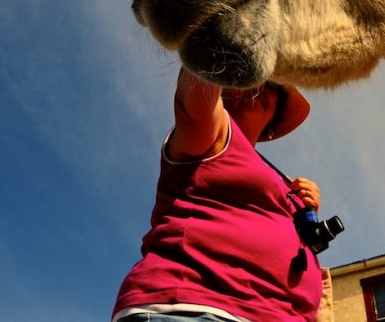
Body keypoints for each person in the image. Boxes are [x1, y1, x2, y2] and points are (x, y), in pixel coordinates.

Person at [112, 67, 328, 322]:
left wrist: (308, 212)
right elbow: (195, 91)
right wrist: (226, 41)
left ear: (273, 120)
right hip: (197, 308)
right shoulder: (212, 132)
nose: (257, 85)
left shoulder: (282, 181)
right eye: (246, 74)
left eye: (273, 84)